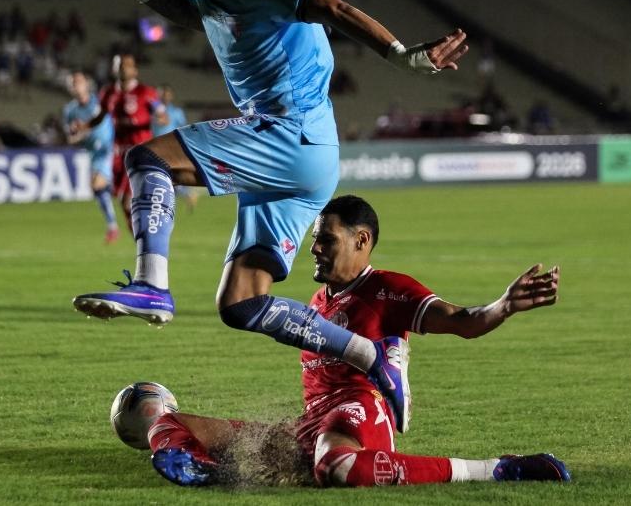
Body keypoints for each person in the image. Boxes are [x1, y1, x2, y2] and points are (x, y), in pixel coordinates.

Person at [73, 0, 469, 434]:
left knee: (147, 158)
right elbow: (194, 12)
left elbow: (333, 8)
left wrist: (403, 56)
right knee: (241, 303)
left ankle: (152, 284)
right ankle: (370, 355)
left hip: (289, 132)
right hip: (307, 155)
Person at [142, 195, 568, 488]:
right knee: (168, 423)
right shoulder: (316, 302)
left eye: (326, 239)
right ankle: (204, 470)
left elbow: (463, 321)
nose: (314, 249)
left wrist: (503, 306)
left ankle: (495, 469)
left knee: (338, 468)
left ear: (361, 241)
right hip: (310, 424)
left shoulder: (387, 288)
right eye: (314, 239)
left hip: (359, 415)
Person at [81, 53, 164, 232]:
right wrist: (85, 125)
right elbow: (100, 116)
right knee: (123, 202)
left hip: (140, 151)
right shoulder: (108, 93)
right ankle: (143, 241)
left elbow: (161, 113)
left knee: (128, 201)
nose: (123, 69)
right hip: (119, 154)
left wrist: (158, 117)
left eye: (127, 65)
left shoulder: (146, 92)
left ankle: (149, 238)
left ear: (135, 70)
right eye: (119, 65)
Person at [64, 70, 121, 244]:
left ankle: (114, 226)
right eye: (74, 83)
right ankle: (113, 225)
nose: (77, 86)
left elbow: (113, 117)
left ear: (87, 84)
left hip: (110, 148)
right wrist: (79, 133)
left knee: (97, 184)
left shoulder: (100, 101)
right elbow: (71, 138)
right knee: (97, 187)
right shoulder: (70, 111)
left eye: (79, 81)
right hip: (94, 153)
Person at [150, 86, 197, 212]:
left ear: (171, 96)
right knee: (166, 177)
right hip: (156, 148)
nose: (164, 96)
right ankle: (186, 194)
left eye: (167, 94)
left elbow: (183, 129)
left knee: (165, 176)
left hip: (171, 147)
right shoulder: (153, 110)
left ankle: (169, 202)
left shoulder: (176, 112)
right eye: (162, 94)